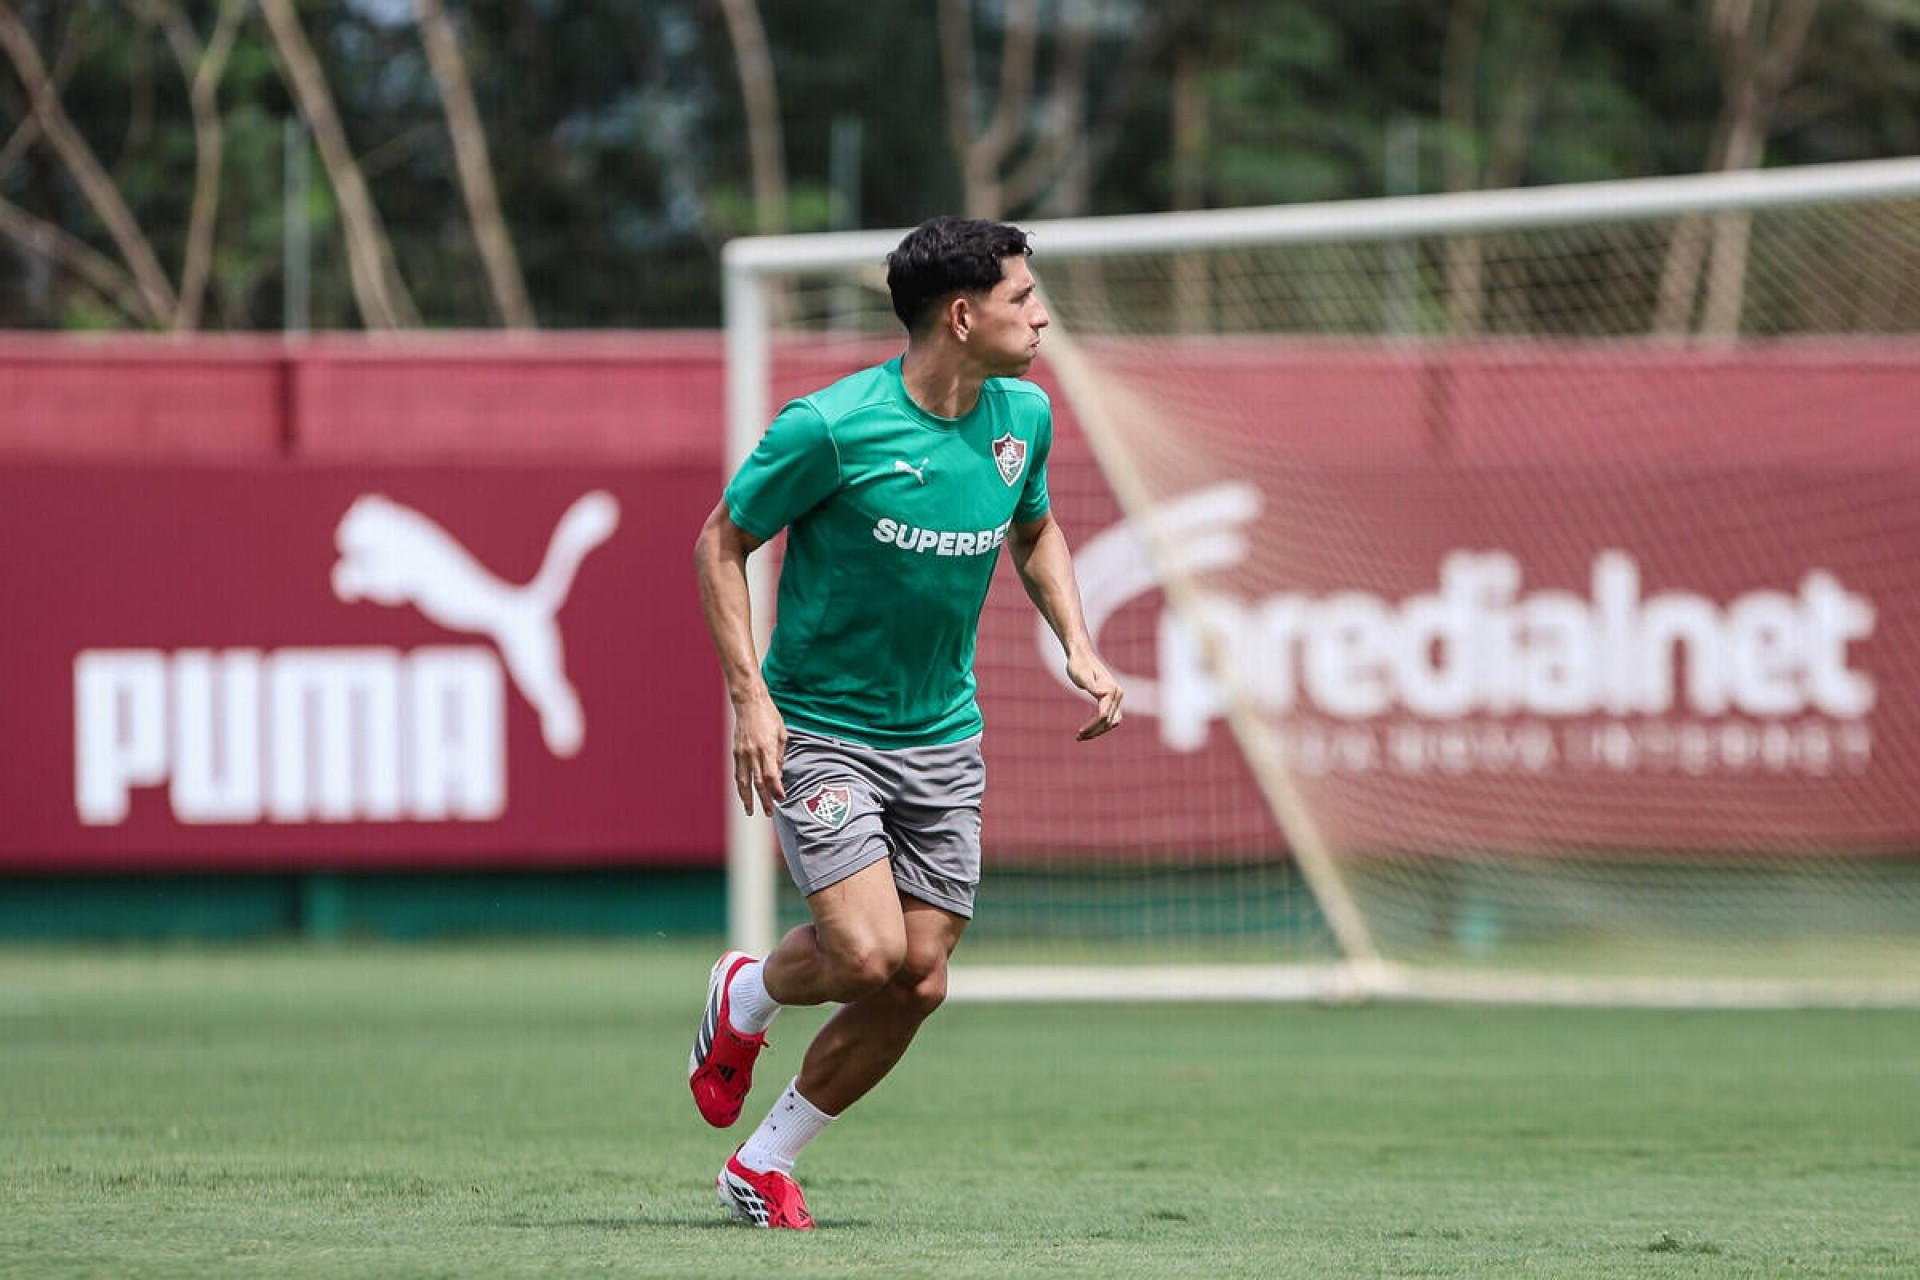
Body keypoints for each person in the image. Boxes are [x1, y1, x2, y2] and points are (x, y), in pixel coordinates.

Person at [688, 215, 1125, 1229]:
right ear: (963, 315)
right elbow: (720, 543)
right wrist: (751, 698)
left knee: (919, 979)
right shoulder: (831, 427)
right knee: (867, 955)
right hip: (825, 727)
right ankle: (746, 993)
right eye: (1024, 298)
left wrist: (1077, 639)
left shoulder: (1025, 416)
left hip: (942, 736)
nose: (1042, 313)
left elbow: (1038, 526)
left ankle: (761, 1161)